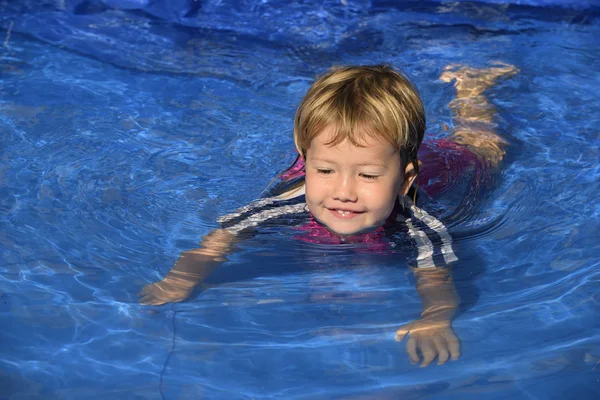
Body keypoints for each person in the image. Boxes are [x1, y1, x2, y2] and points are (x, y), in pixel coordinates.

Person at [139, 62, 518, 367]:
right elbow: (221, 238)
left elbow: (435, 277)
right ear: (305, 165)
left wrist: (435, 317)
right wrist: (179, 281)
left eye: (368, 176)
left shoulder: (419, 225)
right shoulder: (287, 204)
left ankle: (472, 88)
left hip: (448, 168)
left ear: (404, 181)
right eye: (324, 171)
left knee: (483, 145)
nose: (344, 192)